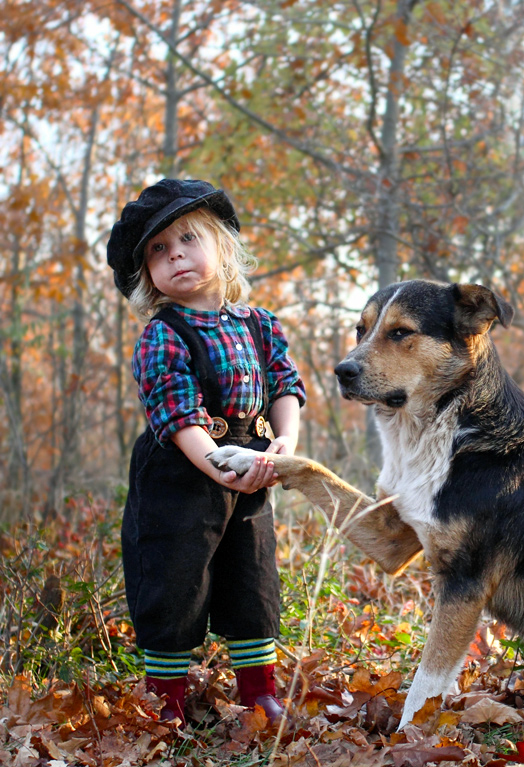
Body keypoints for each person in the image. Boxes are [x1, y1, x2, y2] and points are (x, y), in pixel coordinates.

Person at [106, 179, 306, 727]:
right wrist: (218, 462)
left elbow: (286, 385)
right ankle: (165, 698)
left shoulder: (260, 325)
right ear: (148, 274)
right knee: (174, 578)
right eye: (158, 251)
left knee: (253, 575)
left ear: (222, 246)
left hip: (254, 465)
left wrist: (284, 443)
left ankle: (258, 691)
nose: (176, 256)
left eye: (188, 239)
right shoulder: (162, 335)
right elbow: (176, 414)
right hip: (182, 472)